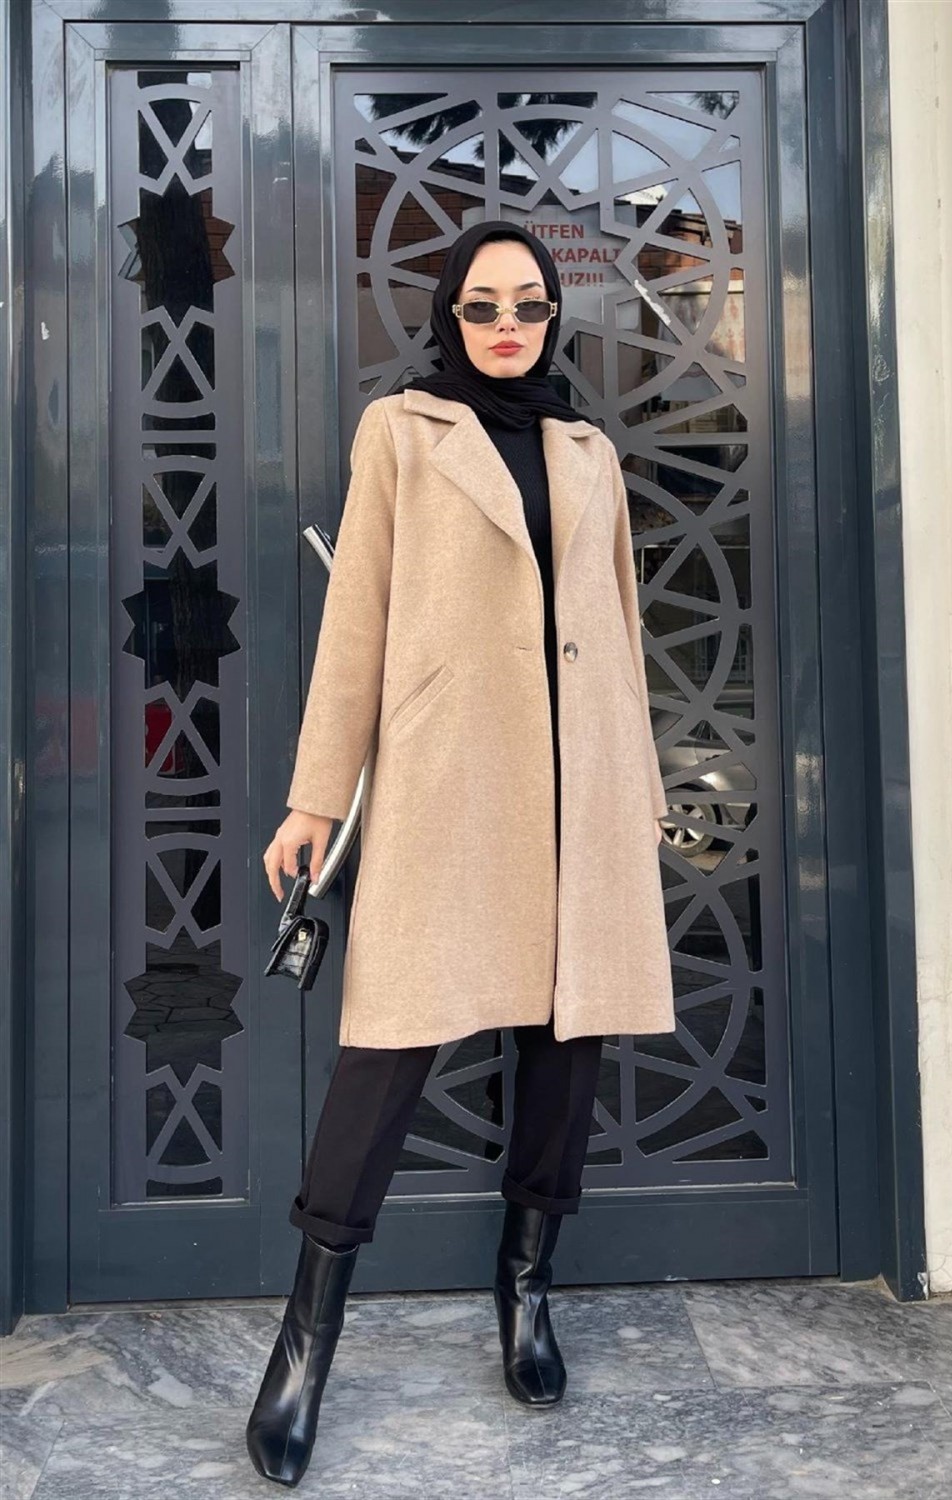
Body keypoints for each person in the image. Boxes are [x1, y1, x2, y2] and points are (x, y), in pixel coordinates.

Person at [245, 221, 674, 1487]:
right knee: (386, 1049)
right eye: (482, 305)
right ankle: (303, 1347)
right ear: (449, 314)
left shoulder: (588, 451)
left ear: (552, 317)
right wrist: (316, 798)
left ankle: (526, 1293)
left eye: (527, 305)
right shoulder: (403, 431)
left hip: (581, 786)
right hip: (450, 783)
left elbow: (621, 630)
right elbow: (357, 619)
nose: (505, 325)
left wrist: (639, 791)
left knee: (565, 1043)